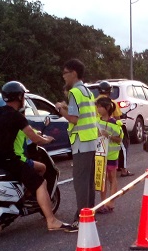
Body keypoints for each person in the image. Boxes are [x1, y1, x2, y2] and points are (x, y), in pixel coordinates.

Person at [0, 81, 76, 232]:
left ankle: (24, 197)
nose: (24, 98)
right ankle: (51, 220)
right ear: (19, 97)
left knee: (38, 169)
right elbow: (35, 138)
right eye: (23, 95)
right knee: (40, 183)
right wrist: (47, 140)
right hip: (9, 160)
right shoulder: (17, 116)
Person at [56, 59, 99, 226]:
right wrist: (66, 107)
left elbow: (74, 119)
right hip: (91, 139)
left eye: (65, 73)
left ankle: (82, 219)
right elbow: (81, 113)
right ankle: (90, 214)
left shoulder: (74, 92)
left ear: (74, 73)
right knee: (88, 181)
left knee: (80, 181)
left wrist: (60, 109)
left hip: (81, 141)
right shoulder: (87, 91)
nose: (63, 76)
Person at [96, 81, 133, 178]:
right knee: (123, 147)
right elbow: (117, 118)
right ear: (109, 91)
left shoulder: (94, 102)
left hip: (97, 130)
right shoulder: (111, 102)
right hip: (110, 130)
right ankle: (124, 170)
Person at [95, 97, 123, 213]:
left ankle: (111, 202)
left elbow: (119, 139)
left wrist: (109, 136)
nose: (98, 109)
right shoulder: (96, 121)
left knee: (112, 178)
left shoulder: (115, 124)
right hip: (100, 154)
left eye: (100, 107)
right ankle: (103, 203)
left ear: (107, 108)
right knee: (102, 179)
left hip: (111, 155)